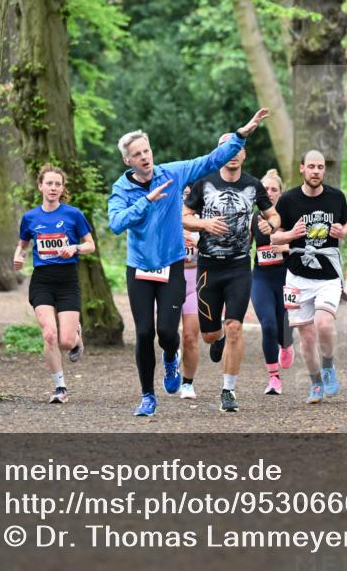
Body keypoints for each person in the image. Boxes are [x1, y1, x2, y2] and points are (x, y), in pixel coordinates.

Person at [108, 108, 269, 417]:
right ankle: (147, 396)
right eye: (137, 154)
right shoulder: (122, 189)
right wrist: (146, 201)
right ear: (128, 161)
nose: (145, 157)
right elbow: (116, 223)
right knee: (144, 333)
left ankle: (171, 357)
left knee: (167, 333)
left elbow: (210, 161)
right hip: (139, 267)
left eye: (146, 151)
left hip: (171, 265)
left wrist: (240, 135)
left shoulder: (173, 173)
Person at [182, 134, 280, 412]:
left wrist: (271, 225)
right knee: (210, 335)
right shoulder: (204, 182)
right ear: (218, 153)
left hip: (238, 266)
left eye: (238, 149)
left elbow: (274, 215)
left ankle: (228, 390)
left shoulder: (253, 185)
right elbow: (184, 216)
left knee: (235, 326)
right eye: (227, 149)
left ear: (244, 154)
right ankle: (218, 338)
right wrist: (204, 224)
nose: (233, 154)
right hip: (208, 266)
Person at [271, 150, 347, 404]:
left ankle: (328, 366)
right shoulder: (288, 200)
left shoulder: (336, 197)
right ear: (302, 168)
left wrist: (343, 232)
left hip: (328, 274)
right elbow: (274, 238)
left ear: (324, 170)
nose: (316, 171)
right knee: (305, 336)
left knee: (324, 324)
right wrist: (291, 235)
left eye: (320, 167)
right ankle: (316, 383)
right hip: (297, 277)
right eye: (311, 166)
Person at [13, 165, 95, 404]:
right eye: (49, 183)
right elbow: (22, 245)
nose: (53, 188)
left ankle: (76, 335)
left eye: (58, 184)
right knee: (49, 334)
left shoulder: (73, 215)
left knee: (66, 342)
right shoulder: (30, 217)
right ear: (40, 186)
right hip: (42, 280)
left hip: (67, 280)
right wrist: (18, 257)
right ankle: (60, 387)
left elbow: (90, 245)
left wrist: (75, 247)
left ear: (62, 188)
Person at [249, 169, 295, 395]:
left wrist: (286, 247)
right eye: (265, 189)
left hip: (287, 276)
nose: (269, 192)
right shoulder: (253, 217)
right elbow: (243, 247)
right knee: (268, 325)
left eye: (273, 189)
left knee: (284, 325)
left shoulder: (290, 215)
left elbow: (305, 245)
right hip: (261, 277)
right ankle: (274, 378)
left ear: (280, 193)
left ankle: (286, 345)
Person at [179, 188, 201, 400]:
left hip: (194, 284)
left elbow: (214, 249)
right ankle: (171, 355)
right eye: (181, 193)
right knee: (166, 334)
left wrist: (198, 244)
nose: (184, 197)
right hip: (170, 282)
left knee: (190, 337)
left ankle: (187, 383)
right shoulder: (166, 219)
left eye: (188, 193)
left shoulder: (202, 220)